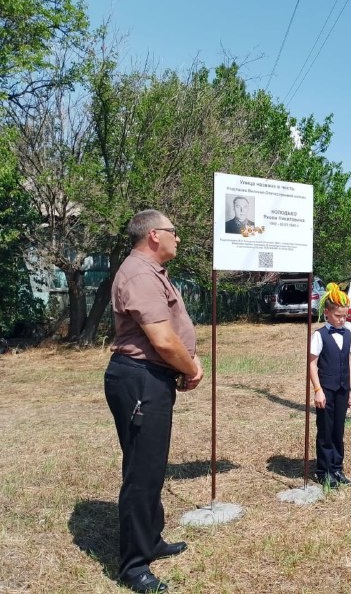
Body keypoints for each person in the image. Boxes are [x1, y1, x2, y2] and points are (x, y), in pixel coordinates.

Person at [104, 210, 204, 593]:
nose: (178, 238)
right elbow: (162, 340)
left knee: (152, 465)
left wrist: (187, 361)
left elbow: (169, 332)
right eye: (173, 231)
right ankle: (134, 566)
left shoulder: (151, 272)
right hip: (140, 380)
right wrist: (191, 368)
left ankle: (151, 539)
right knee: (142, 473)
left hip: (151, 379)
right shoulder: (140, 274)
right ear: (154, 235)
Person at [308, 283, 351, 488]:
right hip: (326, 390)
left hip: (342, 390)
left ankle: (337, 468)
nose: (342, 320)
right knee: (325, 431)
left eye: (345, 316)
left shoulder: (348, 334)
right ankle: (324, 470)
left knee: (338, 430)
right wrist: (317, 390)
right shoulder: (319, 335)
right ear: (327, 313)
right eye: (338, 316)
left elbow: (349, 361)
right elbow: (312, 364)